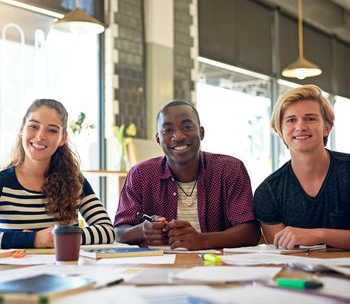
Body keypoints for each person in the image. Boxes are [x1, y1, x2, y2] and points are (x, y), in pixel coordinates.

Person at [114, 100, 260, 250]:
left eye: (187, 127)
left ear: (201, 133)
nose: (178, 136)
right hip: (160, 267)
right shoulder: (140, 175)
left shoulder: (229, 169)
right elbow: (119, 231)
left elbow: (250, 232)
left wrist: (202, 241)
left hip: (216, 267)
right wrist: (143, 231)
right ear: (158, 139)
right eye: (167, 130)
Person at [0, 99, 115, 249]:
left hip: (66, 270)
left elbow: (107, 231)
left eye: (52, 130)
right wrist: (34, 239)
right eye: (34, 126)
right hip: (15, 271)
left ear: (63, 138)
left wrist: (59, 236)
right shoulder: (3, 182)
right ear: (22, 129)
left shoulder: (75, 181)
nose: (40, 136)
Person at [254, 85, 350, 250]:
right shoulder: (268, 192)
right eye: (291, 120)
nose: (301, 127)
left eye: (310, 118)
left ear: (327, 128)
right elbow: (283, 251)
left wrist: (318, 235)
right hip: (299, 273)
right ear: (280, 131)